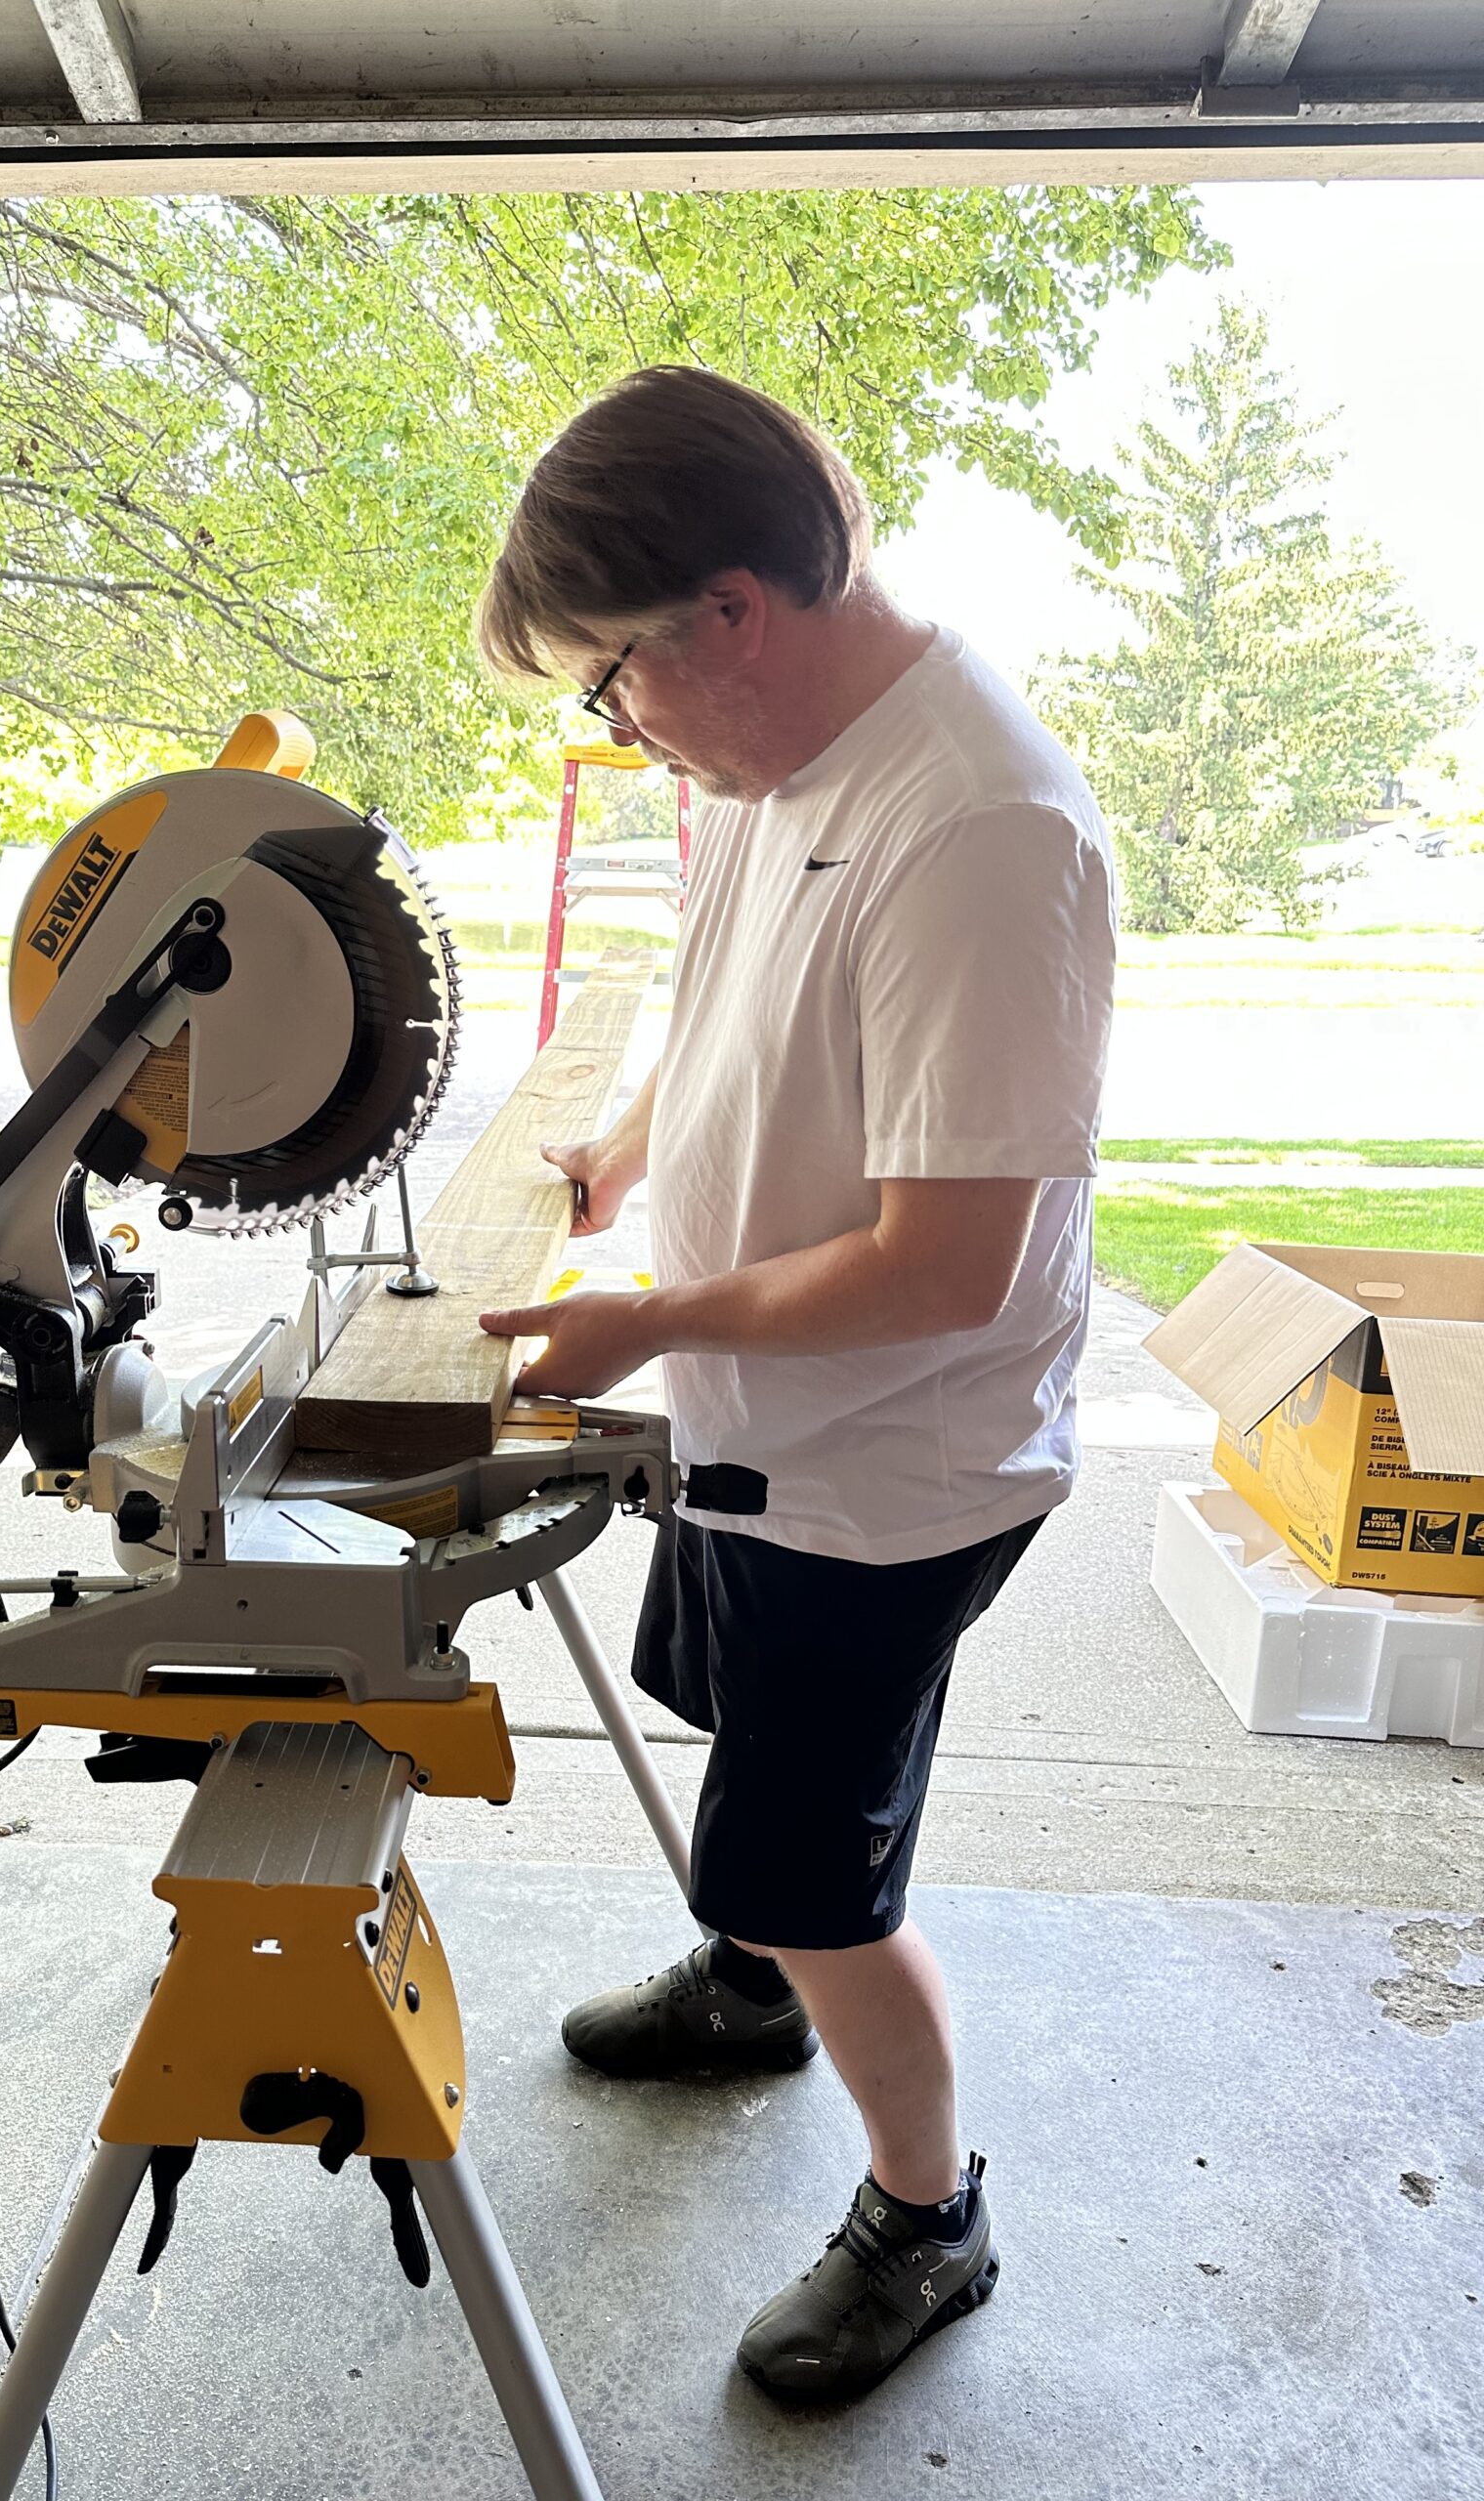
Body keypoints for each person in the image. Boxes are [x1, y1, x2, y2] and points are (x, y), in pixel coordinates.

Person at [474, 365, 1115, 2404]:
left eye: (615, 685)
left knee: (821, 1867)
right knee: (727, 1723)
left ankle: (927, 2211)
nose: (625, 723)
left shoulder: (980, 827)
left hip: (891, 1466)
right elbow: (713, 984)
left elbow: (949, 1263)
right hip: (762, 1416)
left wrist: (651, 1326)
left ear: (730, 611)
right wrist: (626, 1156)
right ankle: (757, 1980)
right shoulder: (770, 762)